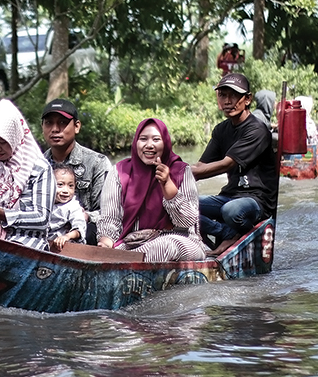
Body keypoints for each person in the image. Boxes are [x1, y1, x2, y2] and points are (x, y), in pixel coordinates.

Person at [96, 118, 205, 262]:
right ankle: (122, 259)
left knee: (165, 245)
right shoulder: (118, 172)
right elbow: (110, 218)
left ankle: (125, 260)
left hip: (181, 241)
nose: (149, 145)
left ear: (165, 143)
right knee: (112, 251)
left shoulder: (181, 171)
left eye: (156, 139)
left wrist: (166, 184)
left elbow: (187, 222)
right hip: (133, 243)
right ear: (136, 143)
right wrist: (105, 242)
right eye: (143, 139)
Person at [193, 73, 278, 256]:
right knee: (185, 207)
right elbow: (200, 165)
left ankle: (232, 236)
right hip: (230, 195)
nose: (228, 101)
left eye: (233, 95)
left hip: (256, 200)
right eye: (223, 95)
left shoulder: (257, 130)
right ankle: (219, 242)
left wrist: (185, 173)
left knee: (231, 211)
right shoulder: (221, 130)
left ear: (247, 99)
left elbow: (226, 164)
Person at [0, 99, 54, 249]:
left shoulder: (39, 168)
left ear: (14, 137)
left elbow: (42, 219)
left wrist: (1, 213)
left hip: (24, 240)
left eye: (2, 142)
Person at [41, 98, 112, 245]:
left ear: (77, 126)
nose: (55, 129)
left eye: (62, 122)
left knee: (92, 230)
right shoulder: (38, 165)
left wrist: (84, 216)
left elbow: (109, 212)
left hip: (83, 231)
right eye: (49, 123)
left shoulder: (97, 162)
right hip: (46, 229)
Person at [47, 165, 87, 252]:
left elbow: (79, 226)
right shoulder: (44, 202)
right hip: (45, 243)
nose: (66, 190)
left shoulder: (73, 206)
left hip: (65, 247)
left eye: (70, 186)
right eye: (60, 185)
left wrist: (67, 236)